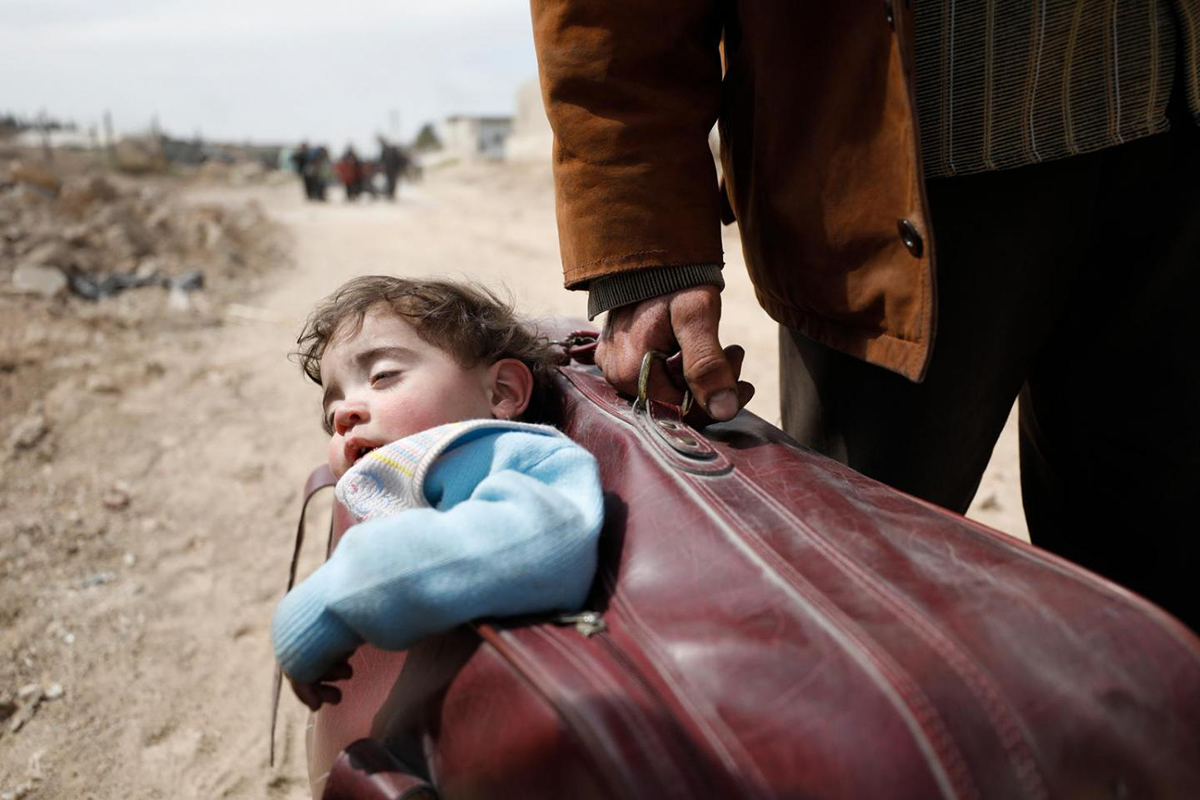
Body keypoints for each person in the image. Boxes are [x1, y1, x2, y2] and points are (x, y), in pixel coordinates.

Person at [529, 2, 1200, 629]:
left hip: (1176, 124)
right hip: (895, 187)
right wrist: (648, 244)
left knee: (1165, 621)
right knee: (860, 618)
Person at [271, 276, 605, 709]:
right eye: (332, 412)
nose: (345, 416)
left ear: (501, 391)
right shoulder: (414, 469)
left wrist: (338, 594)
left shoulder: (516, 454)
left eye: (383, 376)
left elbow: (549, 541)